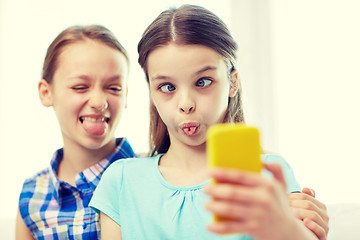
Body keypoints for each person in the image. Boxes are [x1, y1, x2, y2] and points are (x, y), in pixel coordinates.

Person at [90, 4, 328, 240]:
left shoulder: (268, 175)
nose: (186, 104)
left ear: (232, 83)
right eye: (167, 87)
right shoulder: (121, 181)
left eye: (202, 82)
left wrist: (291, 232)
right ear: (152, 91)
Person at [15, 24, 136, 240]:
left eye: (114, 88)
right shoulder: (32, 194)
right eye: (80, 87)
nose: (99, 102)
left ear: (126, 95)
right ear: (46, 92)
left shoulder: (153, 176)